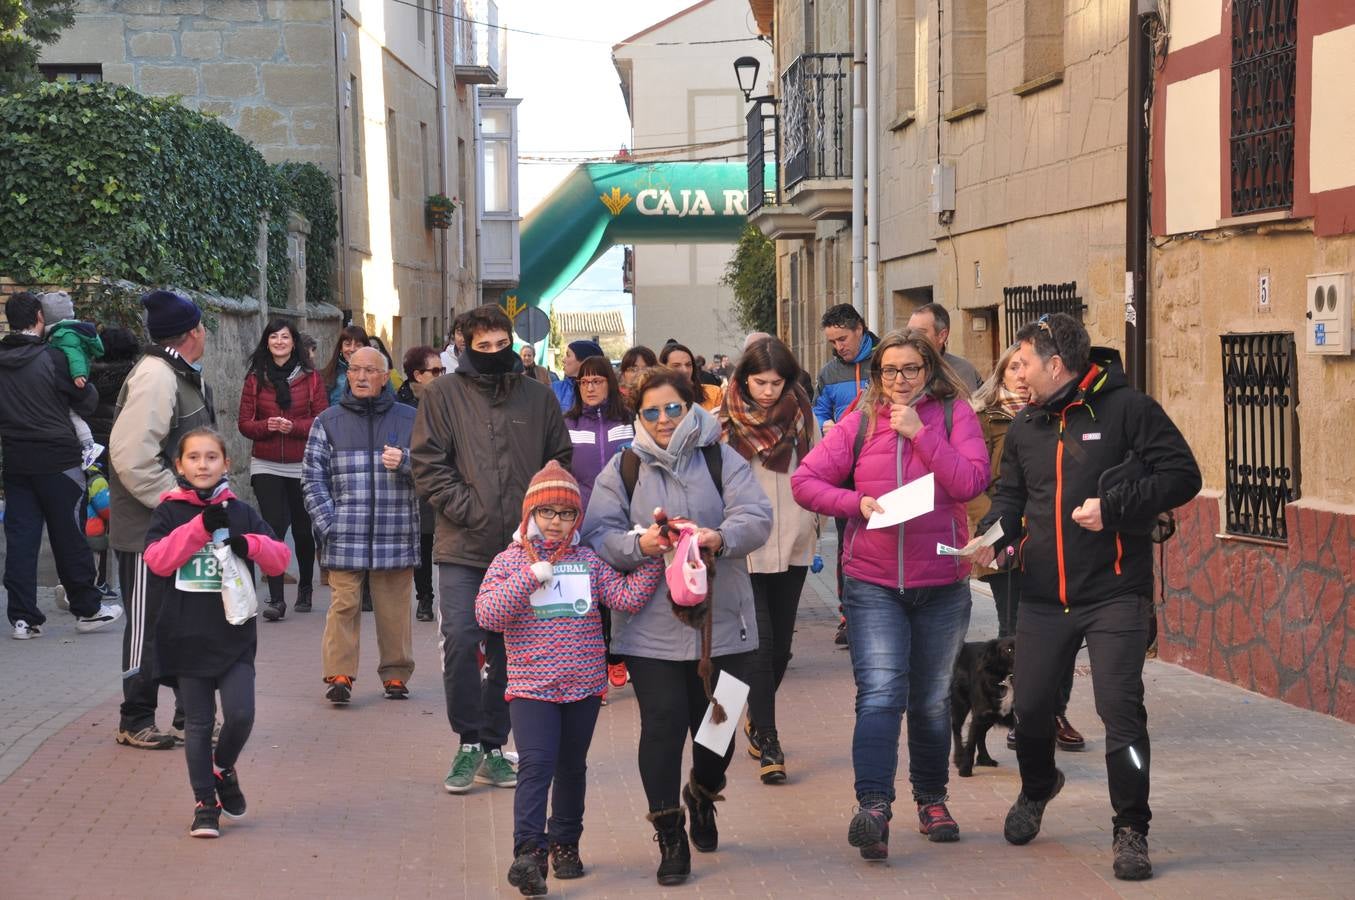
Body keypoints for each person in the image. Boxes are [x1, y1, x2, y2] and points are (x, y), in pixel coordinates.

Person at [974, 313, 1200, 881]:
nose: (1014, 373)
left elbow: (1183, 476)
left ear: (1055, 364)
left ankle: (1131, 828)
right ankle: (1037, 786)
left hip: (1115, 595)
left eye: (1021, 362)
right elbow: (1009, 500)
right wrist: (990, 542)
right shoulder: (1026, 425)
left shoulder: (1129, 410)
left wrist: (1117, 509)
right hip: (1045, 598)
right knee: (1028, 712)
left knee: (1120, 713)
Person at [791, 329, 990, 861]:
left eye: (911, 369)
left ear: (930, 369)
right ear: (876, 374)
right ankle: (874, 809)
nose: (900, 381)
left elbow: (971, 482)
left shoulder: (953, 416)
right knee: (879, 695)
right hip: (873, 584)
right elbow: (805, 482)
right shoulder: (859, 421)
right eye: (889, 371)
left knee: (929, 700)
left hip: (942, 584)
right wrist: (856, 503)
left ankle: (932, 800)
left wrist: (922, 435)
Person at [582, 366, 772, 886]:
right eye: (651, 412)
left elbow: (757, 515)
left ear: (690, 406)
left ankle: (703, 792)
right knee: (663, 727)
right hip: (649, 627)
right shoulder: (623, 467)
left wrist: (718, 537)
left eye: (673, 408)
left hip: (724, 622)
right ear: (638, 416)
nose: (664, 420)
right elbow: (599, 533)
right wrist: (640, 545)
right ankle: (669, 831)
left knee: (720, 733)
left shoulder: (719, 455)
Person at [475, 461, 663, 896]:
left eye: (566, 514)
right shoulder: (508, 561)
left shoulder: (588, 561)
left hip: (583, 686)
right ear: (530, 515)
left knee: (571, 767)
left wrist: (654, 555)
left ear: (577, 519)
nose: (556, 523)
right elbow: (487, 614)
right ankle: (529, 854)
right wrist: (527, 578)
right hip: (530, 688)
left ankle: (565, 844)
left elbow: (625, 597)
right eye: (548, 513)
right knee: (537, 765)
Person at [411, 303, 573, 794]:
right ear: (464, 346)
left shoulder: (538, 397)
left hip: (522, 552)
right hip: (462, 545)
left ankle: (493, 745)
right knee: (461, 640)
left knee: (510, 652)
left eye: (502, 345)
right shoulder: (441, 395)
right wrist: (473, 509)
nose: (495, 353)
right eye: (483, 347)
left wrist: (537, 518)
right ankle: (466, 742)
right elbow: (428, 465)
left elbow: (558, 459)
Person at [142, 428, 290, 838]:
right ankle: (204, 804)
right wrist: (199, 528)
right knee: (199, 724)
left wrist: (250, 545)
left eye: (211, 457)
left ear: (227, 464)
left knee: (241, 714)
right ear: (180, 466)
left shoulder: (240, 510)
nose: (203, 464)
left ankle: (222, 768)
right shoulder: (168, 512)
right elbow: (157, 560)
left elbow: (279, 558)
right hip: (186, 635)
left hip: (234, 634)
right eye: (194, 458)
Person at [109, 288, 213, 750]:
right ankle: (135, 717)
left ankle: (187, 715)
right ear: (192, 332)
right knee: (149, 625)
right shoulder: (156, 376)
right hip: (149, 531)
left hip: (177, 526)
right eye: (202, 325)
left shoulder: (178, 372)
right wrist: (175, 501)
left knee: (183, 621)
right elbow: (131, 457)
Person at [970, 344, 1085, 751]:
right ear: (1000, 374)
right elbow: (974, 486)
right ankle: (1022, 714)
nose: (1020, 374)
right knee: (1016, 632)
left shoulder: (1063, 414)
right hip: (1005, 543)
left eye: (1026, 365)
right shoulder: (983, 419)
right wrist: (1003, 530)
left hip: (1054, 542)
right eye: (1013, 366)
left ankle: (1054, 711)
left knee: (1065, 631)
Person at [720, 337, 820, 784]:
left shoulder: (801, 412)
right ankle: (768, 741)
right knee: (755, 647)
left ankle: (749, 720)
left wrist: (815, 521)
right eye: (759, 382)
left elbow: (818, 467)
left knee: (780, 647)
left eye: (776, 383)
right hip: (742, 545)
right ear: (743, 378)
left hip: (793, 537)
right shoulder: (721, 419)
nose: (767, 392)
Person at [0, 292, 124, 640]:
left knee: (21, 540)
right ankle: (88, 610)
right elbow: (86, 400)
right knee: (69, 535)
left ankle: (23, 619)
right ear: (39, 317)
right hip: (59, 461)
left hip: (16, 462)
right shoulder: (54, 358)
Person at [303, 346, 419, 704]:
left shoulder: (410, 418)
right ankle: (339, 674)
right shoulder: (327, 421)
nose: (362, 376)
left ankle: (396, 674)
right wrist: (329, 523)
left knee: (395, 607)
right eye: (355, 369)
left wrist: (406, 462)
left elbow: (436, 467)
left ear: (386, 377)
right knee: (344, 605)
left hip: (395, 529)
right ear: (348, 375)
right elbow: (311, 478)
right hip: (344, 532)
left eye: (371, 370)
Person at [236, 318, 327, 620]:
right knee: (273, 529)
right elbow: (245, 424)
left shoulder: (311, 378)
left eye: (284, 337)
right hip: (266, 463)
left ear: (293, 342)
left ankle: (304, 587)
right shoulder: (254, 379)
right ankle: (276, 598)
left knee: (303, 531)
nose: (279, 342)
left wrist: (294, 427)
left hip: (302, 464)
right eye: (273, 337)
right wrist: (268, 425)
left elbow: (321, 419)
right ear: (267, 342)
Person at [563, 355, 635, 693]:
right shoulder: (569, 425)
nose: (590, 387)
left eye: (597, 381)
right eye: (584, 382)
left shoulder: (630, 422)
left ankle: (616, 656)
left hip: (623, 524)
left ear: (610, 382)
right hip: (582, 526)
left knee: (618, 597)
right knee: (589, 600)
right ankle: (596, 672)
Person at [813, 304, 879, 646]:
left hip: (881, 467)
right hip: (844, 471)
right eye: (833, 341)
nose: (839, 346)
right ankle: (848, 615)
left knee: (881, 540)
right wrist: (825, 424)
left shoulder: (886, 361)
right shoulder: (828, 373)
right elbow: (819, 408)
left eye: (843, 338)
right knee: (846, 544)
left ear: (860, 329)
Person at [396, 345, 445, 622]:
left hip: (447, 480)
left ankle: (449, 599)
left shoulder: (448, 398)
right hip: (417, 481)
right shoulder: (401, 404)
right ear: (418, 375)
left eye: (442, 370)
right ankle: (424, 598)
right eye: (435, 371)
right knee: (423, 544)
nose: (441, 375)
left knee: (450, 543)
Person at [37, 291, 105, 467]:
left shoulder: (64, 334)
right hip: (73, 378)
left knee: (72, 414)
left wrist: (78, 375)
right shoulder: (71, 330)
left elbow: (73, 355)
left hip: (74, 378)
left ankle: (89, 445)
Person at [908, 302, 983, 392]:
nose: (911, 337)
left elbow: (967, 404)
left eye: (919, 332)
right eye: (909, 331)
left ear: (942, 336)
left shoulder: (960, 371)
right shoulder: (897, 365)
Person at [659, 341, 721, 412]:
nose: (685, 370)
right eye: (676, 366)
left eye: (688, 365)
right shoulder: (655, 399)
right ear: (663, 369)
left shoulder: (713, 393)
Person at [320, 324, 370, 406]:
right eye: (347, 344)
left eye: (358, 345)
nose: (352, 349)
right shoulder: (327, 375)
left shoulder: (377, 372)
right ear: (341, 348)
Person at [552, 339, 603, 411]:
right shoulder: (555, 388)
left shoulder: (606, 389)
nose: (563, 360)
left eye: (568, 355)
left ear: (584, 361)